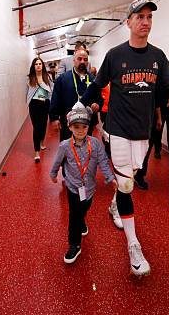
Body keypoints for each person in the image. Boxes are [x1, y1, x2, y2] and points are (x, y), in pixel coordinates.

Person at [76, 0, 169, 276]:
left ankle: (114, 204)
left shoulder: (157, 56)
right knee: (127, 186)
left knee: (129, 177)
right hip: (118, 129)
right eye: (140, 17)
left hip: (142, 132)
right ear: (128, 22)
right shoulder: (115, 55)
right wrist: (78, 106)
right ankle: (134, 246)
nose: (145, 22)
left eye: (149, 17)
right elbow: (96, 87)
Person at [49, 106, 115, 264]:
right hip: (73, 188)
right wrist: (52, 174)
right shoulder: (65, 145)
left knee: (84, 208)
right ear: (70, 127)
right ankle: (74, 245)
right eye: (76, 127)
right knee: (74, 217)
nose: (80, 130)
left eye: (84, 127)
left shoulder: (96, 144)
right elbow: (57, 162)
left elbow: (103, 163)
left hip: (90, 188)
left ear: (89, 127)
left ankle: (82, 219)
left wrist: (110, 178)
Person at [135, 61, 169, 185]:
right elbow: (156, 100)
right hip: (160, 111)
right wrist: (159, 117)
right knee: (155, 136)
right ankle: (155, 153)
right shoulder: (160, 83)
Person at [49, 48, 101, 143]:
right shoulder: (63, 79)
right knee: (68, 150)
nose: (82, 61)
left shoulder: (93, 79)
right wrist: (54, 118)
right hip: (68, 123)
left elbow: (99, 98)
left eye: (85, 59)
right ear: (74, 60)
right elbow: (55, 99)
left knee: (85, 150)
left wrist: (97, 104)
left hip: (86, 124)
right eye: (79, 59)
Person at [26, 57, 53, 162]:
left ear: (42, 66)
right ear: (33, 66)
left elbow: (51, 90)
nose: (38, 66)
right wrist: (27, 103)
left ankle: (42, 141)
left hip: (45, 103)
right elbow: (27, 93)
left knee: (43, 125)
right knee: (36, 127)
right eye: (36, 64)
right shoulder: (30, 78)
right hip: (34, 104)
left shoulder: (47, 77)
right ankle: (37, 152)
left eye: (40, 64)